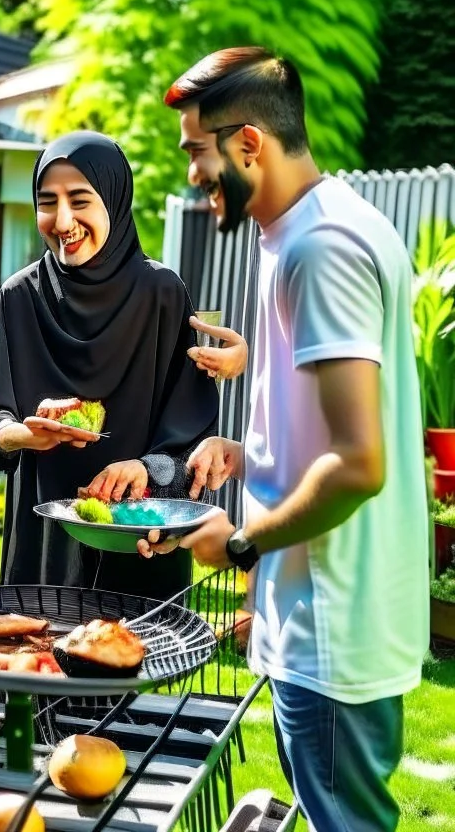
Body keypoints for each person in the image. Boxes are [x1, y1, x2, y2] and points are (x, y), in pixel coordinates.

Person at [141, 47, 429, 832]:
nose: (193, 175)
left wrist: (236, 541)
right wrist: (253, 444)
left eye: (196, 152)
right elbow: (335, 415)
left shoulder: (317, 249)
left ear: (248, 145)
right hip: (335, 608)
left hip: (334, 618)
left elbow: (359, 463)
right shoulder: (320, 225)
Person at [0, 132, 220, 600]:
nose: (62, 220)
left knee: (131, 660)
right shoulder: (20, 297)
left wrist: (146, 469)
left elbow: (194, 429)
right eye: (47, 202)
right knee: (34, 660)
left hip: (139, 537)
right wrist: (22, 433)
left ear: (115, 200)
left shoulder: (162, 294)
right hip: (42, 544)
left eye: (80, 200)